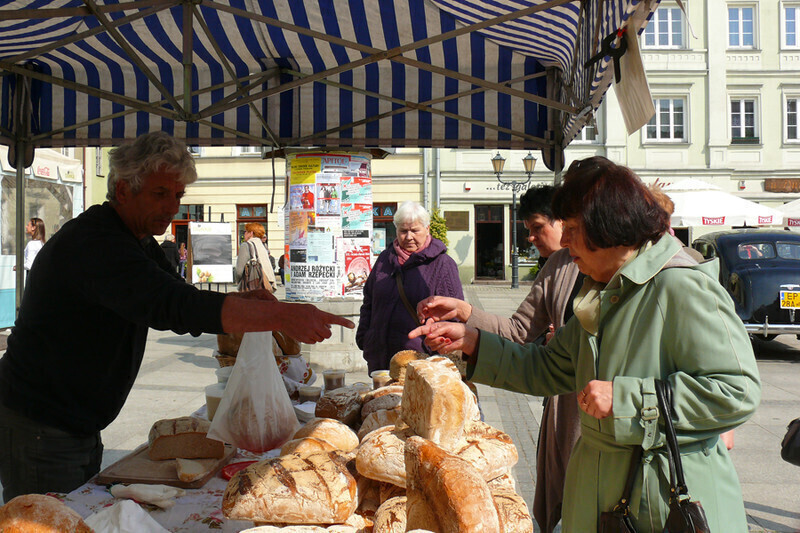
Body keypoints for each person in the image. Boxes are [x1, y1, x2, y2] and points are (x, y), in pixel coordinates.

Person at [410, 156, 761, 532]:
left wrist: (627, 400)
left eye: (574, 228)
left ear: (608, 226)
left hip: (661, 507)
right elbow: (550, 367)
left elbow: (736, 390)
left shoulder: (680, 286)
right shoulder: (607, 288)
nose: (563, 241)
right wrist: (475, 342)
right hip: (604, 501)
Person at [0, 131, 354, 502]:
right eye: (160, 194)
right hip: (40, 424)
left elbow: (181, 295)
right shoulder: (96, 243)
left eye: (178, 195)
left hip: (74, 422)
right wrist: (278, 314)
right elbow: (172, 304)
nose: (172, 206)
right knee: (45, 523)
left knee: (79, 516)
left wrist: (252, 303)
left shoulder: (135, 239)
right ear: (123, 190)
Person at [416, 185, 581, 533]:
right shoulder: (556, 266)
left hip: (598, 413)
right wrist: (465, 312)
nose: (532, 237)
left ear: (563, 221)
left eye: (538, 227)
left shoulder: (617, 267)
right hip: (565, 409)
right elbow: (519, 330)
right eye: (529, 230)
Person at [356, 201, 463, 373]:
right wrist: (365, 338)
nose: (408, 237)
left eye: (415, 230)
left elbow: (454, 314)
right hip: (381, 359)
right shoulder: (384, 259)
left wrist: (435, 342)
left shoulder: (443, 264)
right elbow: (369, 301)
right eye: (403, 231)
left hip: (421, 361)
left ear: (427, 229)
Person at [235, 223, 277, 293]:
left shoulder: (246, 245)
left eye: (246, 231)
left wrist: (238, 281)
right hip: (266, 285)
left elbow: (239, 271)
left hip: (253, 286)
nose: (244, 234)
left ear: (251, 233)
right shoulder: (262, 246)